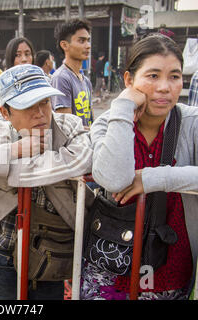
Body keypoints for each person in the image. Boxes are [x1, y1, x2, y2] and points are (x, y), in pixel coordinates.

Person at [0, 64, 93, 300]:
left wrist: (13, 172)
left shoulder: (67, 124)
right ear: (5, 111)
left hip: (56, 249)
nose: (40, 113)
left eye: (44, 102)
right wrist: (12, 151)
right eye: (28, 106)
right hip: (4, 253)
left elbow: (83, 158)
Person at [84, 33, 198, 300]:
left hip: (172, 265)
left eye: (174, 76)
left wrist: (152, 178)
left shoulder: (192, 123)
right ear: (129, 80)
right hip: (109, 261)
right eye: (153, 76)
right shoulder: (109, 122)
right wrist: (123, 105)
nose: (165, 87)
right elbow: (113, 178)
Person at [51, 19, 93, 128]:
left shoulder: (86, 81)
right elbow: (66, 127)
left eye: (88, 40)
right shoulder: (61, 78)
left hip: (87, 142)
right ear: (64, 45)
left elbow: (90, 119)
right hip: (72, 144)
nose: (88, 45)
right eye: (81, 41)